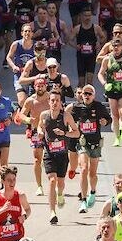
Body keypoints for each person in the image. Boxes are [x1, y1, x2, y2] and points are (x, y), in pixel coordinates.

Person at [37, 91, 78, 224]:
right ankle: (52, 212)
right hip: (49, 154)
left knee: (60, 183)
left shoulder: (66, 116)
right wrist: (40, 132)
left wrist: (64, 133)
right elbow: (39, 126)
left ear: (61, 103)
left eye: (57, 101)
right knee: (52, 181)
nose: (55, 103)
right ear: (49, 102)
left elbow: (76, 133)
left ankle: (60, 194)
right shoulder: (44, 115)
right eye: (52, 100)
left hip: (62, 154)